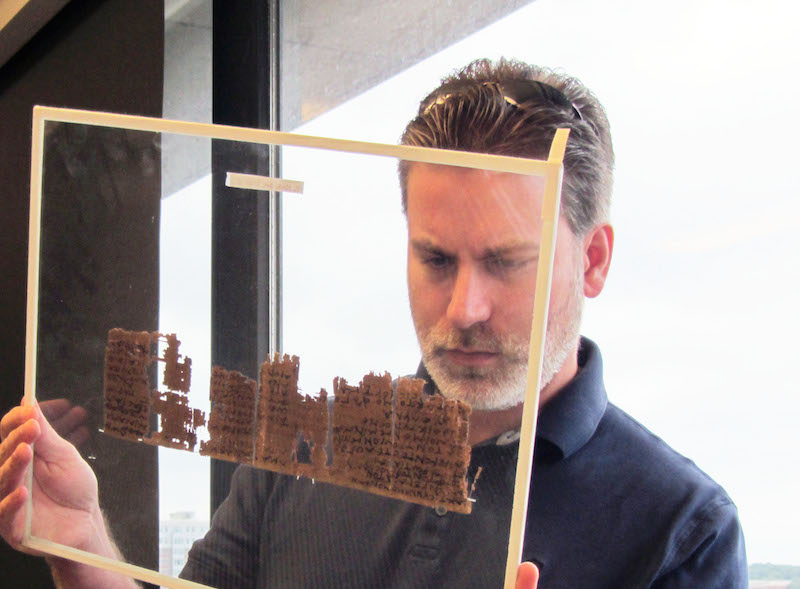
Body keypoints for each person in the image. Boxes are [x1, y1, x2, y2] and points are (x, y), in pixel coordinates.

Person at [0, 58, 746, 588]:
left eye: (506, 262)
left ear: (593, 261)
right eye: (436, 258)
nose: (465, 308)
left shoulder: (683, 529)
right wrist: (83, 546)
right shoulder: (306, 449)